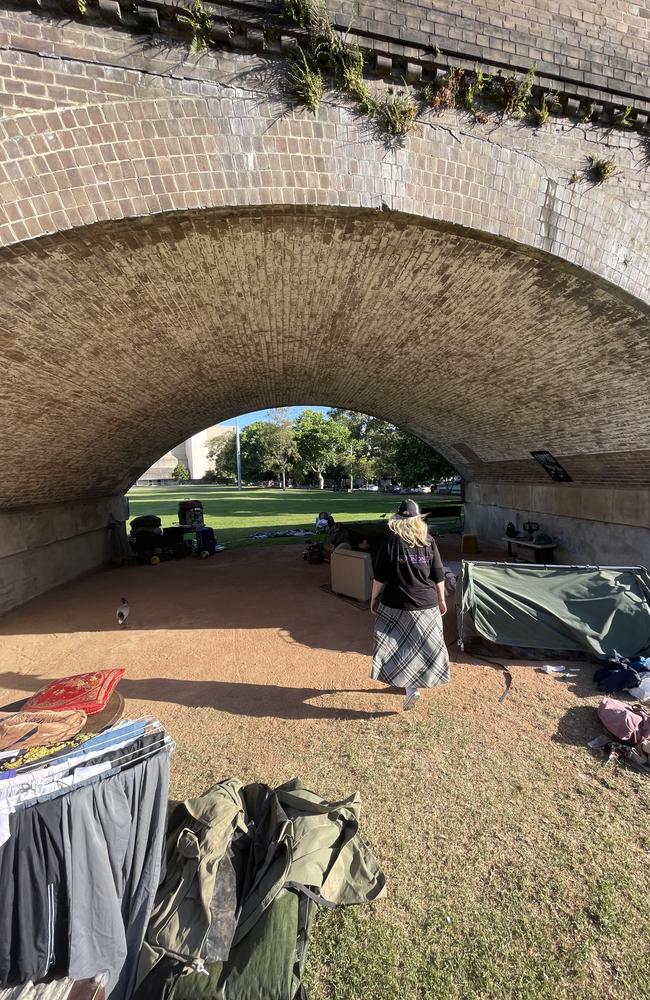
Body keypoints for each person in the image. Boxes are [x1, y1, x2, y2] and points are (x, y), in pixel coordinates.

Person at [370, 499, 450, 710]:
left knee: (396, 646)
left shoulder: (390, 541)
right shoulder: (429, 540)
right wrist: (441, 600)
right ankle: (413, 688)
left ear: (398, 518)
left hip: (396, 604)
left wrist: (373, 598)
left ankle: (410, 688)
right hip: (427, 604)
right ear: (417, 519)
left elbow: (380, 576)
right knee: (423, 646)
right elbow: (439, 574)